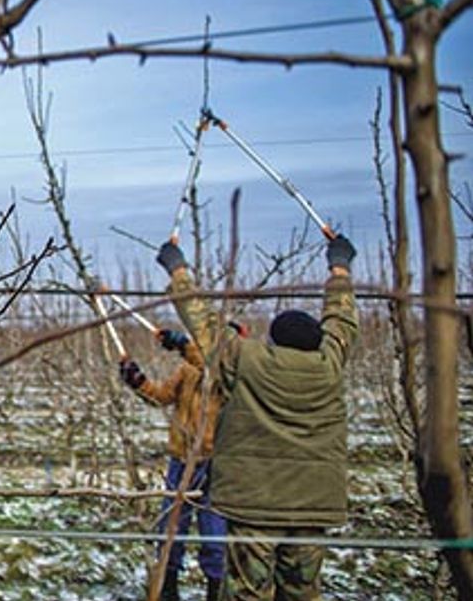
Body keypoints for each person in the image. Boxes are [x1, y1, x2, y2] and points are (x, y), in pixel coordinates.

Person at [156, 234, 358, 600]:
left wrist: (177, 269)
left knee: (247, 593)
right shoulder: (331, 364)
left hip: (254, 506)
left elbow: (203, 325)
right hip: (312, 507)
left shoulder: (250, 362)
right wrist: (339, 266)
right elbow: (341, 319)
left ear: (275, 343)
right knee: (301, 592)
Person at [119, 325, 226, 600]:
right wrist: (138, 382)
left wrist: (182, 344)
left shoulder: (229, 375)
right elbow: (161, 397)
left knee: (214, 531)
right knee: (171, 528)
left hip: (214, 463)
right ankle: (168, 588)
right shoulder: (186, 371)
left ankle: (216, 589)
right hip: (181, 460)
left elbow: (210, 364)